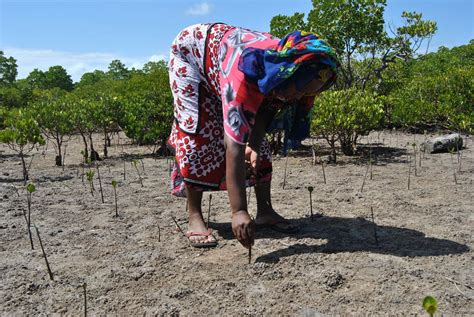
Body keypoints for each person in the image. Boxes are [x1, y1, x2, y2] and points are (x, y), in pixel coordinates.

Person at [167, 23, 338, 248]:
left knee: (260, 147)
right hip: (191, 56)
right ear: (289, 73)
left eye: (309, 92)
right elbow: (233, 145)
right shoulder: (248, 72)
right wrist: (238, 211)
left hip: (224, 64)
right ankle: (195, 215)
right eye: (300, 89)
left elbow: (268, 108)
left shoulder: (283, 68)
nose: (299, 96)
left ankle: (265, 210)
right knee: (198, 133)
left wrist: (255, 144)